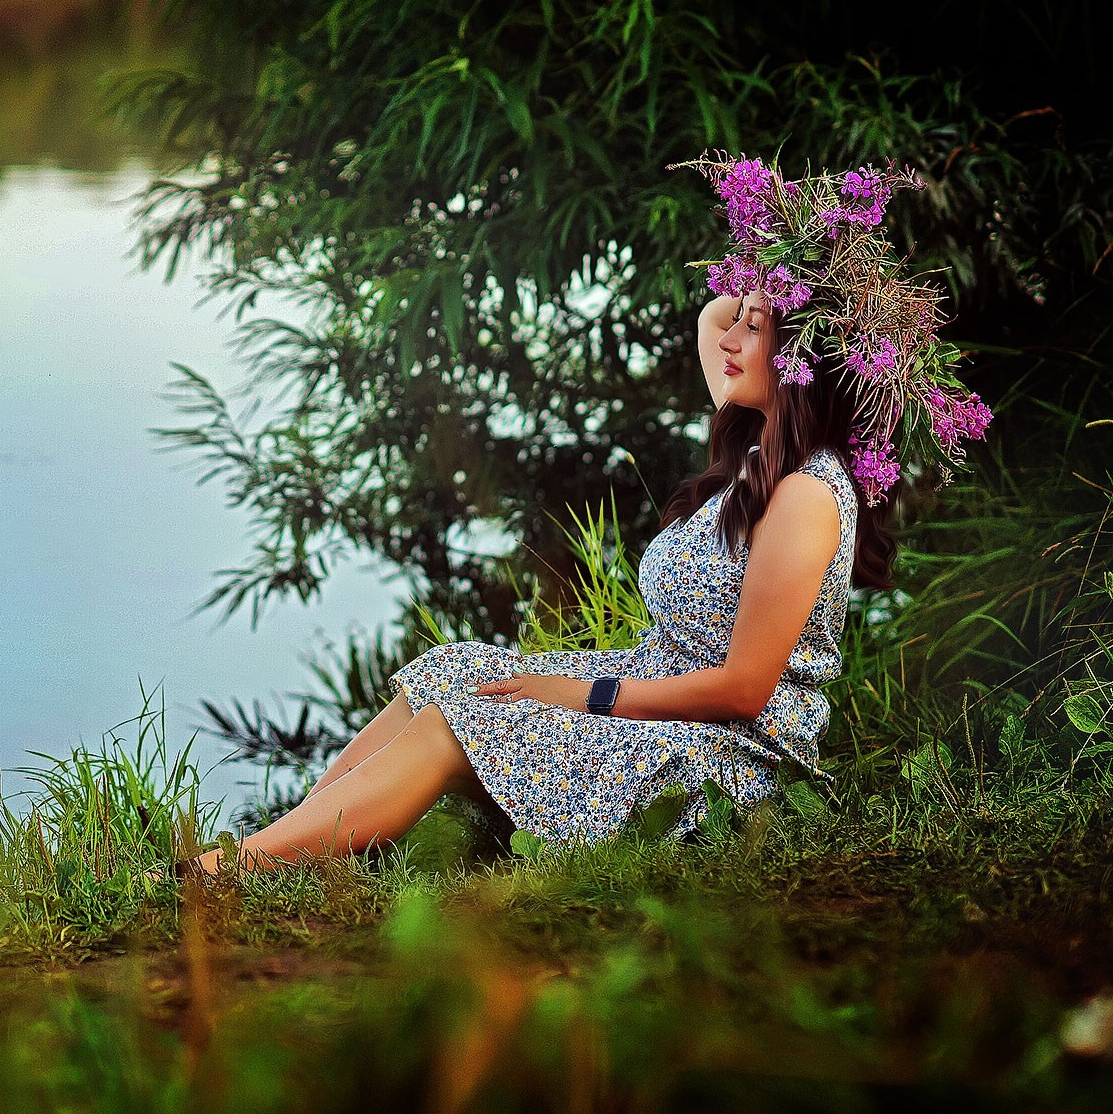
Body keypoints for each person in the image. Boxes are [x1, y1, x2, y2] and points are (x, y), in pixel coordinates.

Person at [176, 153, 992, 874]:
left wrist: (585, 694)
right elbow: (711, 322)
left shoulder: (808, 495)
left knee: (464, 715)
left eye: (759, 324)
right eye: (740, 317)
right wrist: (778, 257)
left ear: (800, 355)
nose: (733, 334)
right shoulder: (756, 448)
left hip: (728, 764)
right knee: (454, 668)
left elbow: (746, 692)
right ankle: (296, 851)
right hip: (660, 699)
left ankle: (229, 871)